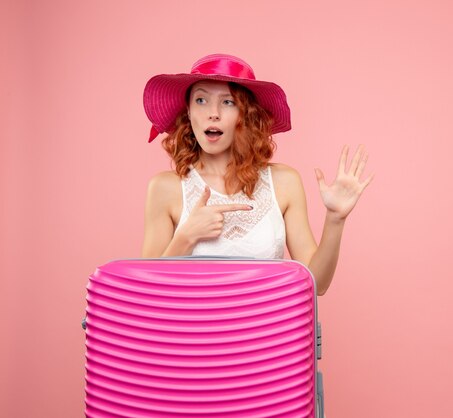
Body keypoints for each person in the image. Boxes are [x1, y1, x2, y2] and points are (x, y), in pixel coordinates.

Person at [141, 54, 372, 296]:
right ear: (188, 112)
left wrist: (335, 218)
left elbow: (317, 285)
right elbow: (148, 292)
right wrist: (186, 237)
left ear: (245, 114)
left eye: (228, 102)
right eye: (201, 100)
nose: (213, 113)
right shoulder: (165, 188)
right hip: (194, 332)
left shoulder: (284, 182)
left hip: (270, 332)